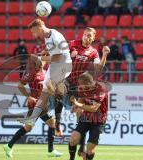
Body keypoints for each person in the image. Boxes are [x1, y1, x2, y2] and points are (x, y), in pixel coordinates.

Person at [55, 27, 110, 158]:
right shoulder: (73, 43)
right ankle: (57, 125)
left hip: (81, 84)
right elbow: (60, 55)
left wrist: (104, 55)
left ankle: (81, 148)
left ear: (93, 38)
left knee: (81, 115)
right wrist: (69, 55)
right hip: (68, 79)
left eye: (89, 36)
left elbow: (98, 69)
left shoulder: (93, 52)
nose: (87, 38)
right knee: (59, 94)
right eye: (85, 35)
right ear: (82, 35)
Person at [3, 58, 63, 158]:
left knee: (30, 127)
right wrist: (28, 96)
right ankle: (50, 151)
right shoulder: (31, 74)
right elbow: (20, 85)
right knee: (49, 124)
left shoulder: (45, 71)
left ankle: (9, 146)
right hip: (35, 105)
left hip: (42, 104)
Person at [17, 18, 72, 126]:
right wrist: (43, 52)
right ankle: (33, 118)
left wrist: (41, 58)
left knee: (46, 91)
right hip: (56, 65)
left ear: (39, 28)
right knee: (45, 91)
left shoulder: (54, 37)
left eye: (33, 31)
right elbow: (50, 49)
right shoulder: (48, 35)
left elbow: (58, 57)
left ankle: (66, 97)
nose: (33, 34)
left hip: (63, 65)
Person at [68, 72, 108, 160]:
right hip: (85, 118)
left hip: (99, 121)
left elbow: (94, 108)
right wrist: (75, 106)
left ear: (89, 83)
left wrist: (77, 104)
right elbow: (82, 99)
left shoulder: (101, 89)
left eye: (84, 87)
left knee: (90, 150)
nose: (82, 88)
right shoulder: (83, 88)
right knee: (73, 139)